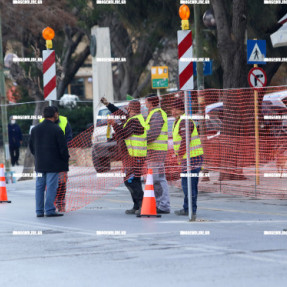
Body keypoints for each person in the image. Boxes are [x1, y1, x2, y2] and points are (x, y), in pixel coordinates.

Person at [101, 97, 147, 215]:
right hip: (132, 155)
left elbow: (123, 134)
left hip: (135, 155)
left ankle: (142, 205)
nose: (126, 109)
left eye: (128, 107)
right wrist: (108, 105)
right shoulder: (132, 118)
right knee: (131, 180)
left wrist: (114, 124)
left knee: (131, 180)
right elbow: (119, 113)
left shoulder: (134, 121)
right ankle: (137, 205)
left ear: (131, 109)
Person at [29, 106, 70, 217]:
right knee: (51, 186)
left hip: (40, 164)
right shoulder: (57, 130)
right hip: (53, 164)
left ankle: (39, 211)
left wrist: (38, 156)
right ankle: (50, 210)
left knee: (39, 186)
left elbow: (31, 147)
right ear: (54, 115)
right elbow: (63, 149)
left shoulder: (35, 129)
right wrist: (65, 160)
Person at [172, 98, 204, 221]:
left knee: (189, 185)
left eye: (175, 109)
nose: (173, 111)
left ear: (180, 109)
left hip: (193, 158)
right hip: (187, 158)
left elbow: (186, 140)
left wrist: (179, 154)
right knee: (186, 184)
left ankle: (191, 210)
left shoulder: (185, 121)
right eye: (172, 109)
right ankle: (187, 208)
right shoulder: (179, 121)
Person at [39, 106, 72, 212]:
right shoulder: (41, 122)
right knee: (49, 182)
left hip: (61, 157)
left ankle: (60, 203)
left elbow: (69, 139)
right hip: (48, 158)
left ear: (57, 113)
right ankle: (51, 204)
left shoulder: (64, 121)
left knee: (61, 182)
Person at [145, 94, 170, 214]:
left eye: (146, 102)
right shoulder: (154, 114)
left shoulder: (157, 114)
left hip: (157, 150)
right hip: (154, 150)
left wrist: (141, 140)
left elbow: (153, 133)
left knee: (157, 179)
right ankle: (161, 204)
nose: (145, 105)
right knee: (157, 178)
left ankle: (163, 205)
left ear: (150, 103)